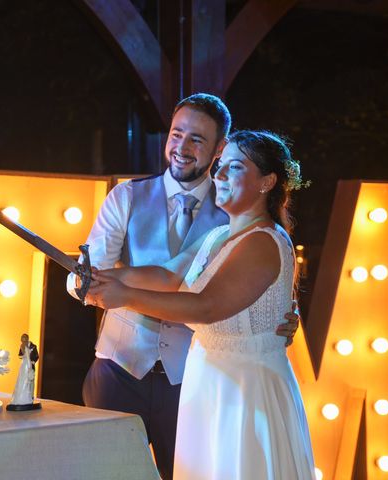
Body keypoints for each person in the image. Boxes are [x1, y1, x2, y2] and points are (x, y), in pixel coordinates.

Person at [66, 93, 298, 480]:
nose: (182, 148)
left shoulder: (235, 215)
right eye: (177, 134)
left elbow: (214, 302)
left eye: (197, 140)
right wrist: (88, 278)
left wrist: (283, 313)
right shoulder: (130, 197)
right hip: (121, 369)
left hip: (199, 380)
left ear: (219, 148)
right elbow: (168, 277)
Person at [9, 334, 39, 407]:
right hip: (24, 364)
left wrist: (33, 361)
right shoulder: (22, 346)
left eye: (24, 339)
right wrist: (24, 355)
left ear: (27, 339)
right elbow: (19, 355)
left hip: (30, 365)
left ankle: (31, 396)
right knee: (22, 379)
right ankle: (22, 396)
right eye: (22, 340)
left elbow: (37, 356)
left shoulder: (33, 346)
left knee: (31, 381)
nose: (23, 341)